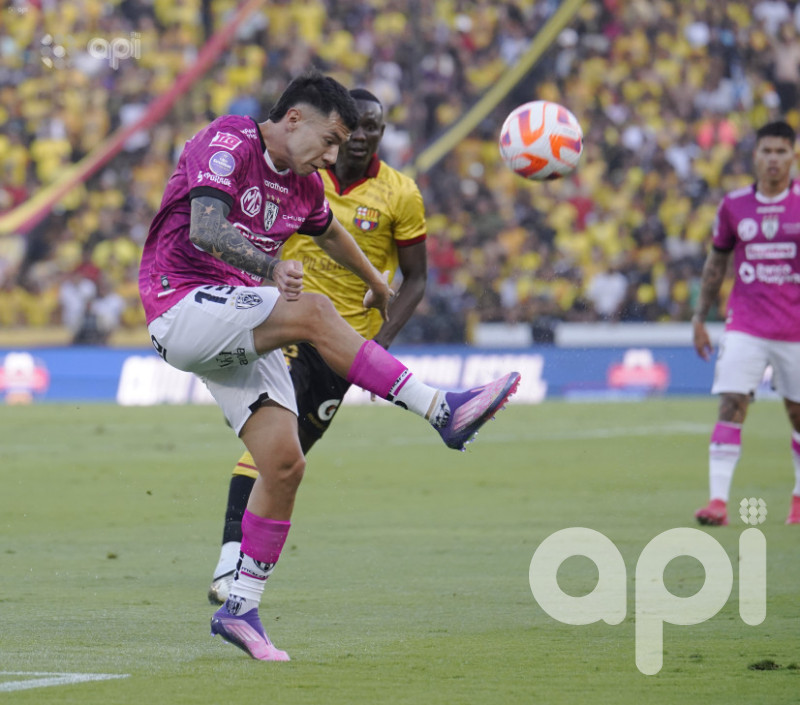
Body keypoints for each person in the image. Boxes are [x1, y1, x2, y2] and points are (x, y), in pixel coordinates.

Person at [138, 70, 520, 662]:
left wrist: (376, 280)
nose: (335, 154)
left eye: (343, 145)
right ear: (294, 118)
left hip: (233, 323)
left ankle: (240, 606)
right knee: (312, 309)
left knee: (285, 464)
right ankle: (442, 410)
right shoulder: (230, 141)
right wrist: (268, 269)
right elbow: (209, 229)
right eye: (331, 139)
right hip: (180, 303)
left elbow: (328, 230)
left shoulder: (303, 182)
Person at [206, 88, 428, 605]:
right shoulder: (301, 171)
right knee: (270, 445)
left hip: (345, 346)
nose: (362, 137)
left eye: (374, 127)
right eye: (353, 128)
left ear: (380, 132)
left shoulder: (401, 193)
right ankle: (230, 560)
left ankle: (239, 571)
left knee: (292, 454)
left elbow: (416, 279)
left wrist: (381, 344)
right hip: (290, 326)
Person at [692, 120, 800, 527]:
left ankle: (798, 499)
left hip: (796, 328)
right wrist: (700, 317)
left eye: (781, 152)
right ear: (756, 155)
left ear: (793, 156)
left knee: (797, 414)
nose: (773, 159)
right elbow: (716, 263)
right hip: (746, 325)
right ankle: (717, 502)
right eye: (767, 151)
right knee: (732, 402)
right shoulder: (734, 205)